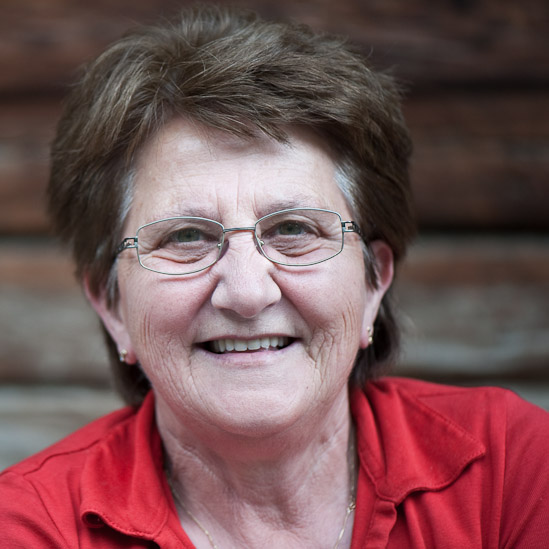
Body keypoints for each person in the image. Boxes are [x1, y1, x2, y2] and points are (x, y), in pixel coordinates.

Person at [1, 5, 548, 548]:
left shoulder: (509, 469)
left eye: (293, 229)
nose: (247, 293)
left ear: (373, 282)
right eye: (186, 237)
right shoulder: (30, 528)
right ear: (111, 303)